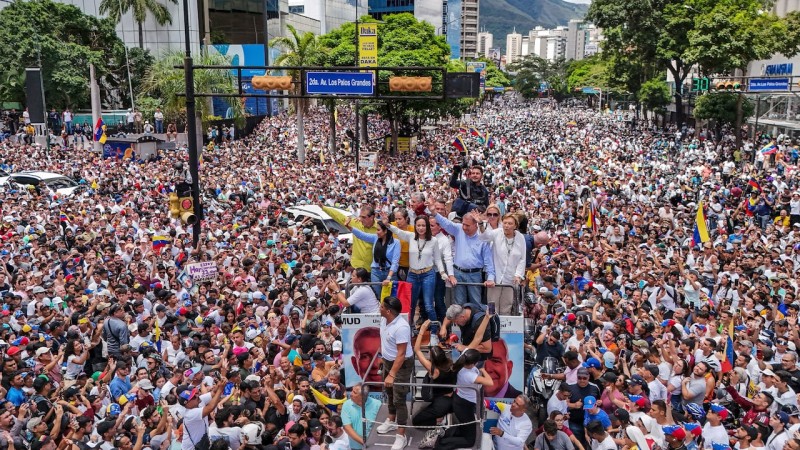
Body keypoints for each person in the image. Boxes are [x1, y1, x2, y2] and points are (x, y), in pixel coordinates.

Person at [386, 214, 444, 333]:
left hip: (428, 274)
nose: (421, 228)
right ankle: (409, 329)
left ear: (427, 226)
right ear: (415, 226)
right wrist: (387, 223)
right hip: (412, 275)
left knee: (428, 305)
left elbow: (437, 259)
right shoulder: (411, 236)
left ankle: (434, 332)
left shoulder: (434, 240)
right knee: (410, 305)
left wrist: (443, 272)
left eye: (423, 225)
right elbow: (397, 231)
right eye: (418, 225)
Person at [431, 204, 496, 307]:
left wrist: (491, 278)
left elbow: (488, 261)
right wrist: (434, 212)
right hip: (458, 273)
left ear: (475, 225)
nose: (464, 228)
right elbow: (445, 223)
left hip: (474, 275)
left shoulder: (483, 238)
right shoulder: (458, 229)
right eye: (463, 224)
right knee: (458, 305)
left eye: (467, 225)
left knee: (476, 304)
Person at [374, 296, 413, 450]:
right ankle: (391, 420)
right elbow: (384, 339)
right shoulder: (385, 320)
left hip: (401, 365)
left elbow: (401, 354)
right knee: (389, 392)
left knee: (399, 399)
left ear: (388, 311)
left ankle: (401, 435)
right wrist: (381, 357)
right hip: (388, 361)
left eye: (382, 307)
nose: (380, 308)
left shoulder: (402, 327)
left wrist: (392, 374)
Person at [436, 348, 494, 450]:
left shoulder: (461, 361)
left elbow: (467, 349)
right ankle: (441, 444)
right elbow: (490, 382)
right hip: (464, 406)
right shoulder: (469, 375)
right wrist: (484, 370)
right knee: (470, 440)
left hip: (460, 400)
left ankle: (443, 434)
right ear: (473, 363)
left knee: (465, 427)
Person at [412, 320, 457, 448]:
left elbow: (417, 350)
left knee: (416, 421)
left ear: (433, 360)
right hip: (452, 398)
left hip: (440, 402)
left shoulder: (433, 369)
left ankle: (440, 420)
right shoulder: (451, 364)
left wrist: (422, 330)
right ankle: (445, 416)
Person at [476, 211, 527, 314]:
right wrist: (481, 224)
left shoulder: (520, 238)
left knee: (506, 307)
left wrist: (518, 275)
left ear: (515, 226)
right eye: (505, 223)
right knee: (492, 307)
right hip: (495, 278)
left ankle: (503, 329)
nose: (506, 226)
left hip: (511, 279)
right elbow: (484, 237)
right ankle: (491, 328)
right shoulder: (497, 232)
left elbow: (522, 258)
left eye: (510, 223)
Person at [178, 359, 228, 450]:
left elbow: (213, 393)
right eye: (193, 397)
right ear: (187, 404)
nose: (197, 396)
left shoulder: (198, 401)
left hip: (201, 442)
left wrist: (222, 377)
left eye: (195, 394)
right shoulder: (190, 413)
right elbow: (210, 407)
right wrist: (221, 389)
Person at [345, 214, 398, 298]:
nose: (376, 232)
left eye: (378, 230)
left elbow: (395, 262)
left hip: (389, 273)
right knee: (377, 296)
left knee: (390, 298)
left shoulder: (396, 243)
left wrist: (388, 277)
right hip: (376, 272)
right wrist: (349, 227)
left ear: (385, 231)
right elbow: (361, 235)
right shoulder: (375, 238)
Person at [341, 383, 380, 450]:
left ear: (362, 396)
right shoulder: (346, 405)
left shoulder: (377, 405)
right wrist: (364, 442)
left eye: (354, 392)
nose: (351, 394)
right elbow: (347, 427)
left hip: (374, 446)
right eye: (352, 390)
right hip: (355, 447)